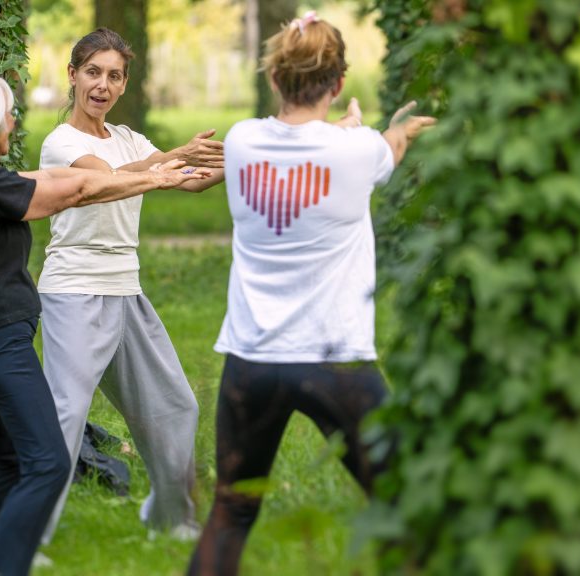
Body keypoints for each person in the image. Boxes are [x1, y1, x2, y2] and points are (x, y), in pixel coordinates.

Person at [0, 73, 209, 576]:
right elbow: (74, 191)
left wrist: (162, 165)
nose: (13, 121)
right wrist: (154, 177)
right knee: (48, 462)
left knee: (7, 457)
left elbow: (50, 181)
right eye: (7, 114)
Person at [186, 12, 435, 576]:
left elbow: (302, 139)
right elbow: (388, 147)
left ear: (275, 78)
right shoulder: (358, 151)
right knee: (407, 506)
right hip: (337, 363)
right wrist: (393, 126)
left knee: (230, 511)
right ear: (339, 83)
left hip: (252, 361)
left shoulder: (245, 141)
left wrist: (345, 130)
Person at [36, 27, 225, 545]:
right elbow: (104, 182)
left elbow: (187, 177)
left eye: (114, 76)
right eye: (93, 72)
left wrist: (243, 159)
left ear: (124, 85)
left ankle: (171, 519)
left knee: (175, 406)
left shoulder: (129, 139)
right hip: (75, 292)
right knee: (65, 415)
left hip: (126, 291)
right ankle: (25, 539)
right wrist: (167, 162)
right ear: (72, 76)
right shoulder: (62, 143)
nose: (102, 84)